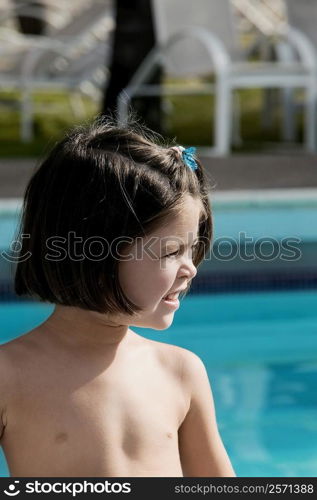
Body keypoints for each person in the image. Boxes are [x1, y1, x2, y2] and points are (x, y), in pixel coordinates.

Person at [0, 118, 235, 477]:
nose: (191, 269)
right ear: (92, 254)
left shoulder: (181, 372)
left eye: (192, 250)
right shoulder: (10, 376)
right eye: (172, 252)